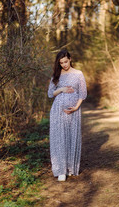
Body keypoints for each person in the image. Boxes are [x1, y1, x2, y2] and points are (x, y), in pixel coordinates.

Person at [48, 49, 87, 181]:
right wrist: (62, 89)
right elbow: (50, 93)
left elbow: (82, 93)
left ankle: (70, 168)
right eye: (61, 63)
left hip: (73, 112)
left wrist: (76, 107)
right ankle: (61, 170)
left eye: (66, 61)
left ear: (70, 59)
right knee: (59, 138)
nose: (64, 65)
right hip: (57, 112)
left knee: (71, 137)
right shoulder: (57, 75)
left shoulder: (78, 74)